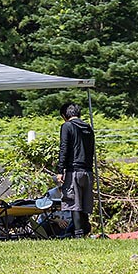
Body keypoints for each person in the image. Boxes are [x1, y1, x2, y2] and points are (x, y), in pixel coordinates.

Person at [56, 102, 95, 238]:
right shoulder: (88, 128)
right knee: (85, 203)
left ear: (64, 116)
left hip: (74, 170)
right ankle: (85, 232)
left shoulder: (67, 126)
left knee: (74, 202)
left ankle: (78, 235)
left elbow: (64, 148)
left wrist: (60, 170)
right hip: (88, 171)